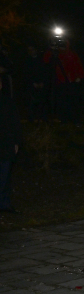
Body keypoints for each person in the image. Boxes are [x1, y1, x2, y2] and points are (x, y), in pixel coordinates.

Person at [44, 40, 84, 124]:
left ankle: (76, 120)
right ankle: (64, 120)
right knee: (62, 102)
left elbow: (78, 64)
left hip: (72, 80)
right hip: (61, 82)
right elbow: (46, 61)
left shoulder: (72, 54)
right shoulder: (56, 54)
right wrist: (51, 49)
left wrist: (80, 76)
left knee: (74, 101)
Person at [0, 75, 21, 213]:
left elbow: (15, 123)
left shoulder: (7, 102)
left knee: (5, 175)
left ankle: (4, 204)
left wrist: (16, 141)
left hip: (5, 144)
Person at [25, 46, 49, 122]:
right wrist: (32, 83)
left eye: (33, 49)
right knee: (31, 103)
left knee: (43, 102)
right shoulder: (27, 61)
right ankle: (31, 119)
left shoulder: (41, 60)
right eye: (29, 50)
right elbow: (26, 74)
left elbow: (45, 72)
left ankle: (43, 119)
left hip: (42, 84)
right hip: (32, 85)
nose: (31, 51)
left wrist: (43, 82)